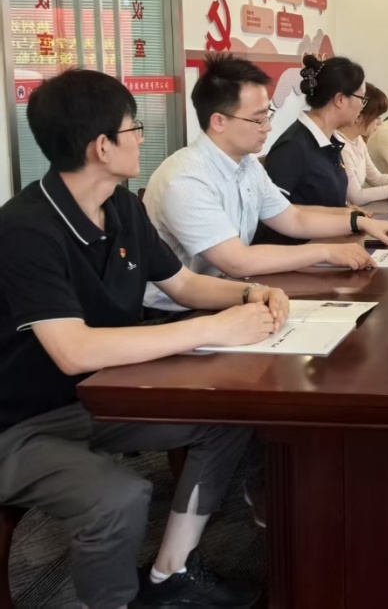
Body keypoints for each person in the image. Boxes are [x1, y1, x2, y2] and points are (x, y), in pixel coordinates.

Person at [0, 69, 288, 608]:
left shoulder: (122, 207)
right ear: (101, 146)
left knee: (225, 418)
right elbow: (73, 351)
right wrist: (211, 328)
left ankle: (168, 574)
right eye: (134, 128)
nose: (141, 138)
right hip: (21, 424)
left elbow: (182, 284)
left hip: (102, 397)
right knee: (119, 497)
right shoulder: (25, 229)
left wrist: (251, 293)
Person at [143, 56, 388, 304]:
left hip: (236, 290)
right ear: (219, 121)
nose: (267, 127)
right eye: (258, 119)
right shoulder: (186, 179)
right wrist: (326, 251)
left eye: (267, 115)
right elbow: (236, 261)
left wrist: (357, 222)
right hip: (179, 311)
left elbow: (293, 219)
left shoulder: (247, 165)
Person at [253, 55, 388, 245]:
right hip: (300, 252)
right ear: (340, 99)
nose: (362, 107)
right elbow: (274, 213)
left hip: (332, 244)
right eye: (362, 100)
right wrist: (345, 218)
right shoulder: (293, 147)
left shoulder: (332, 140)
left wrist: (345, 212)